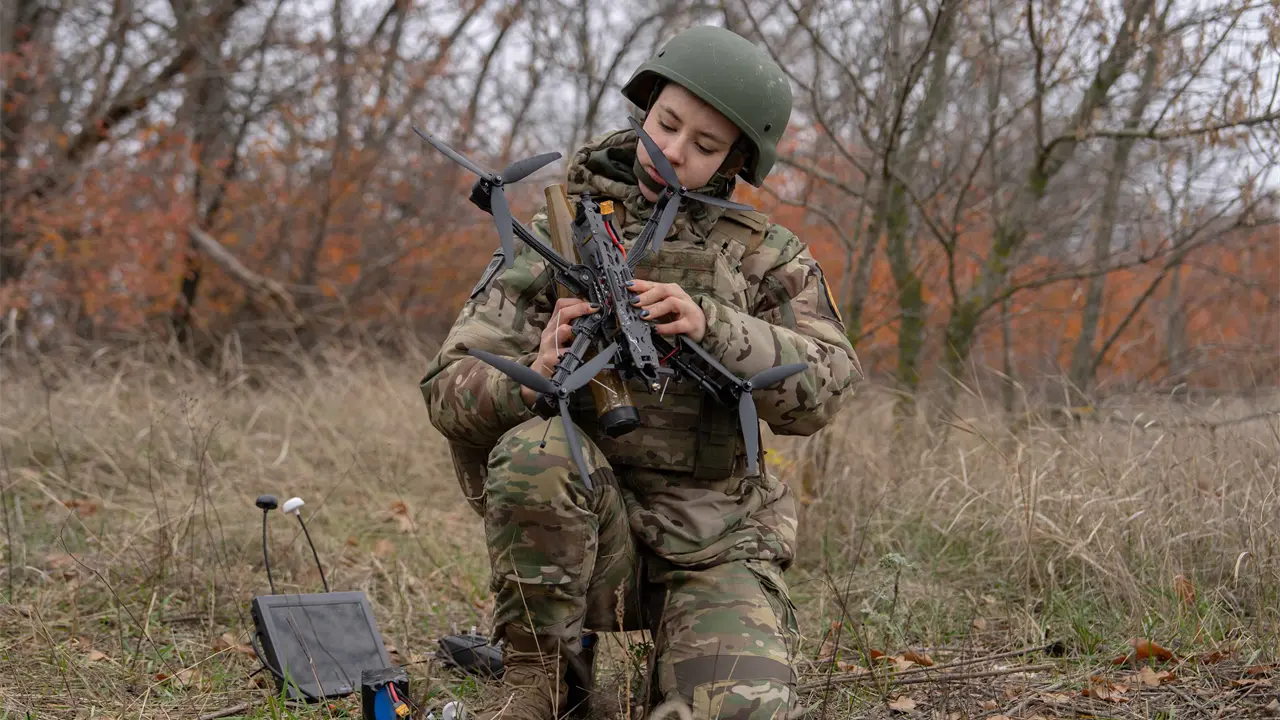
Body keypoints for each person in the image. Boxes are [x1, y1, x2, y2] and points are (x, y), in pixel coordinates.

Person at [419, 24, 862, 720]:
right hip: (588, 542)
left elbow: (828, 389)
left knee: (739, 711)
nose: (672, 152)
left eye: (705, 145)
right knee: (538, 454)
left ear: (737, 158)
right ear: (645, 106)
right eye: (666, 123)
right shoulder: (556, 230)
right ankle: (544, 682)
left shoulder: (766, 258)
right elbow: (445, 389)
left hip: (713, 548)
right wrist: (530, 374)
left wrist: (716, 326)